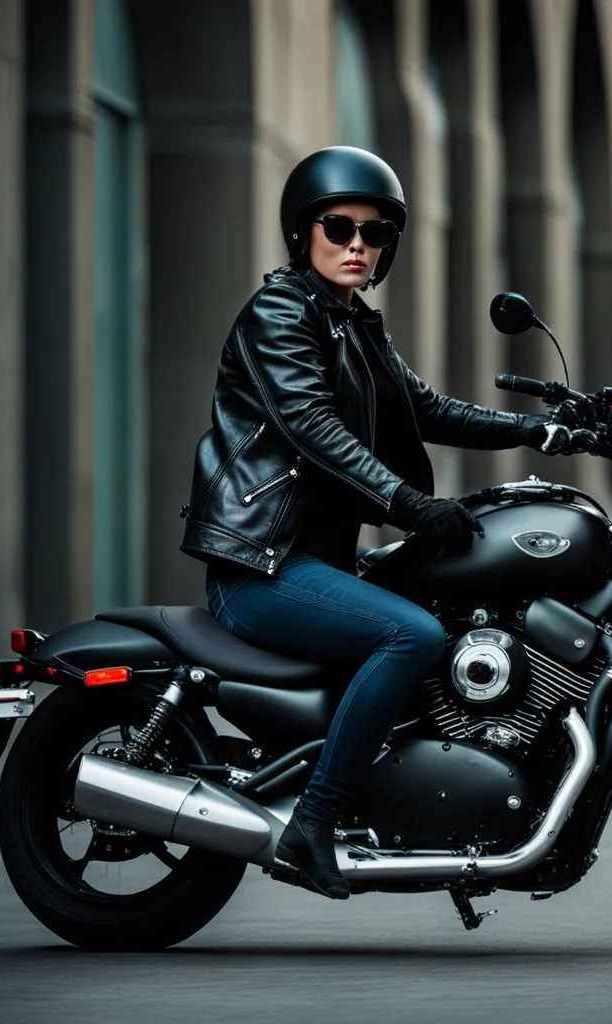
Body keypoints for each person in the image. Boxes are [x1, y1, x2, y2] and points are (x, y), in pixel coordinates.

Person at [180, 146, 565, 899]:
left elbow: (427, 408)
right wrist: (408, 504)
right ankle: (313, 827)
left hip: (318, 564)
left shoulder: (355, 323)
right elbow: (309, 424)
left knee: (450, 616)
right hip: (262, 567)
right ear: (304, 232)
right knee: (411, 634)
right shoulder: (279, 313)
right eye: (339, 226)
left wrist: (545, 429)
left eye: (376, 232)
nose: (358, 243)